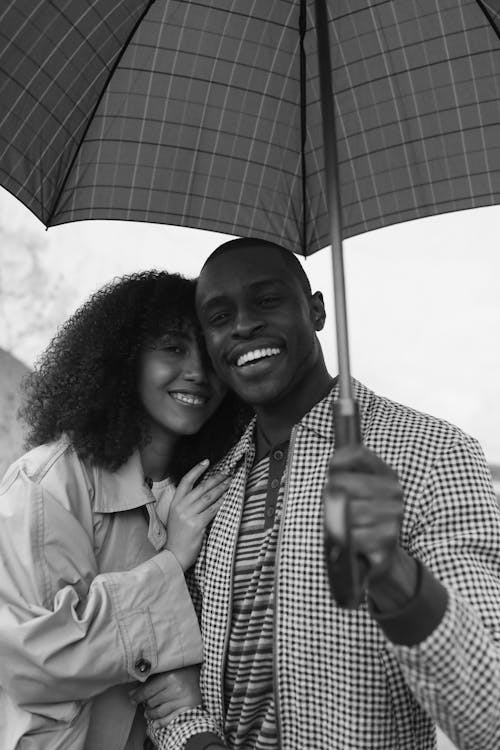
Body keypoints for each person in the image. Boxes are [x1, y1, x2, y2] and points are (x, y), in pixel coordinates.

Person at [141, 239, 500, 750]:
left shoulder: (432, 454)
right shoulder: (208, 486)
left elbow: (489, 719)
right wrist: (197, 738)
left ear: (316, 310)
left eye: (267, 301)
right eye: (220, 316)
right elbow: (173, 684)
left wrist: (394, 575)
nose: (243, 326)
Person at [0, 270, 250, 750]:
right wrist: (171, 564)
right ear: (125, 359)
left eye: (208, 352)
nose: (198, 371)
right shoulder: (47, 483)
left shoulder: (206, 493)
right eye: (173, 348)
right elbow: (33, 661)